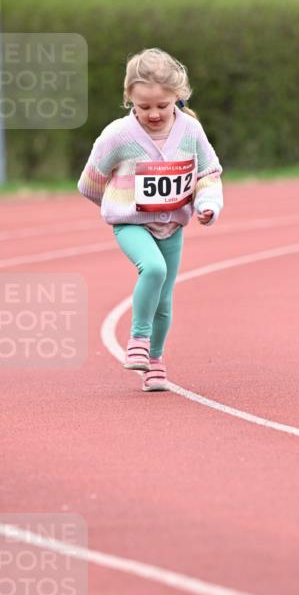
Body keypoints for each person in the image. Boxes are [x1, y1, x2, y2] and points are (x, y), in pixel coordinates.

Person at [77, 48, 223, 391]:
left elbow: (208, 173)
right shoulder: (117, 135)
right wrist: (119, 205)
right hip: (131, 224)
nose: (154, 114)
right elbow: (89, 182)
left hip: (172, 226)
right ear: (129, 98)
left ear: (178, 97)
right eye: (144, 107)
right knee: (153, 270)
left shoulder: (191, 131)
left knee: (165, 301)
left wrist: (208, 205)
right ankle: (137, 340)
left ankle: (154, 362)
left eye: (162, 106)